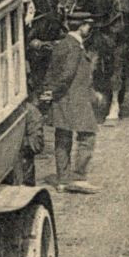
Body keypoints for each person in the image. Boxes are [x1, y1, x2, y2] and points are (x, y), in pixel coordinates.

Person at [42, 11, 100, 194]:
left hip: (62, 100)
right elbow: (66, 75)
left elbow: (51, 73)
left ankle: (62, 180)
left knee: (63, 138)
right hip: (75, 100)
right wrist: (54, 93)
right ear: (82, 26)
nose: (89, 29)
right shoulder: (74, 47)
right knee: (88, 136)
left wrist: (48, 95)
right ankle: (79, 178)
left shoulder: (62, 44)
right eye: (87, 25)